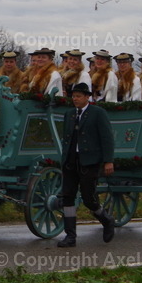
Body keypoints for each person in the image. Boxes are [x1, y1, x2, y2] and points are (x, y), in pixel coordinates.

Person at [58, 82, 116, 247]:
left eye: (78, 96)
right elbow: (67, 138)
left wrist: (108, 161)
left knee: (88, 198)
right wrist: (64, 158)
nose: (75, 99)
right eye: (73, 96)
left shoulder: (97, 113)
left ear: (87, 97)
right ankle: (70, 236)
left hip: (89, 161)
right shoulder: (69, 114)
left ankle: (106, 220)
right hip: (70, 161)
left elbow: (107, 138)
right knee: (67, 197)